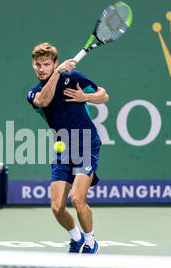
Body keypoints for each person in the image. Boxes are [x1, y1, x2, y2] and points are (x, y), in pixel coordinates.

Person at [26, 43, 109, 254]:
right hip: (63, 150)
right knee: (57, 207)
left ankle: (91, 242)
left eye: (46, 64)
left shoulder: (73, 78)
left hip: (87, 144)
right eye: (38, 64)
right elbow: (44, 101)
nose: (42, 68)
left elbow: (103, 95)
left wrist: (85, 97)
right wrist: (58, 73)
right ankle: (77, 238)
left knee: (78, 198)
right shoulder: (34, 92)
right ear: (33, 66)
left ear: (54, 63)